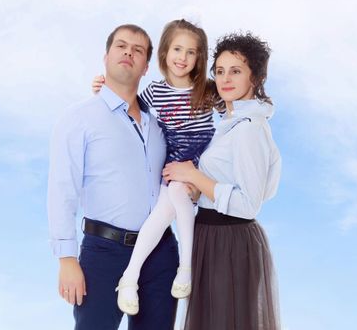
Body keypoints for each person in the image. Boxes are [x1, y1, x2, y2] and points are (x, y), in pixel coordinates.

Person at [47, 24, 179, 330]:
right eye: (121, 46)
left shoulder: (160, 123)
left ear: (146, 66)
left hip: (160, 253)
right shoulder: (79, 118)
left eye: (138, 50)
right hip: (104, 252)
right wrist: (66, 259)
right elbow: (61, 189)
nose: (128, 53)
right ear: (106, 56)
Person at [92, 19, 220, 315]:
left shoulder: (207, 90)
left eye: (191, 52)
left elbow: (235, 104)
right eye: (177, 49)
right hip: (171, 165)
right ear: (164, 52)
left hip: (198, 165)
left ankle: (181, 267)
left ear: (199, 58)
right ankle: (131, 277)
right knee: (161, 214)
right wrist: (102, 87)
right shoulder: (154, 93)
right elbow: (124, 105)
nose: (182, 58)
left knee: (175, 197)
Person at [162, 32, 282, 330]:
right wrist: (194, 188)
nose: (225, 78)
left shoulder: (248, 129)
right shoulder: (231, 123)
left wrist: (193, 175)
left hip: (228, 242)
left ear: (255, 77)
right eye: (219, 71)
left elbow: (248, 204)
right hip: (212, 237)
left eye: (236, 71)